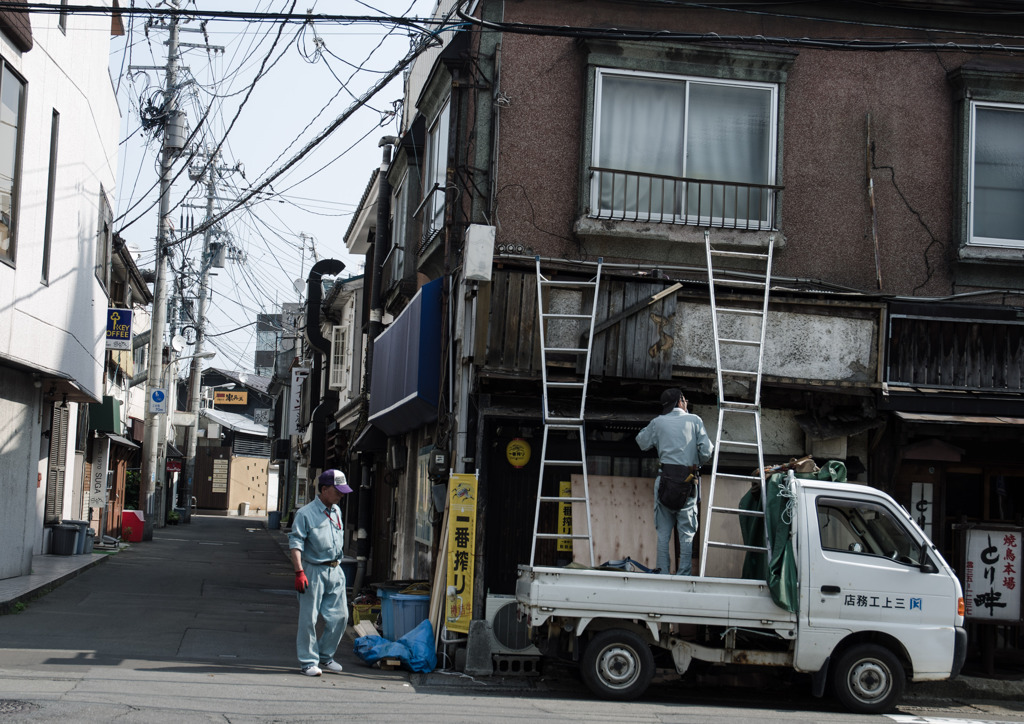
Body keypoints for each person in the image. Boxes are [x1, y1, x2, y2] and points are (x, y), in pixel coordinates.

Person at [635, 388, 713, 576]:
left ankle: (662, 573)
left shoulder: (658, 422)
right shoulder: (694, 420)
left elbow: (642, 442)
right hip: (687, 479)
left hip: (665, 480)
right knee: (686, 532)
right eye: (685, 400)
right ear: (680, 401)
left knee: (663, 532)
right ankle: (683, 575)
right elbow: (707, 451)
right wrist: (695, 462)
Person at [288, 469, 353, 676]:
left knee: (341, 616)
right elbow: (296, 544)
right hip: (313, 570)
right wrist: (299, 572)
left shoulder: (336, 511)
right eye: (338, 491)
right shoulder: (305, 514)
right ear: (324, 489)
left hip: (335, 569)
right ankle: (308, 662)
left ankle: (325, 656)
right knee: (309, 618)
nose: (342, 495)